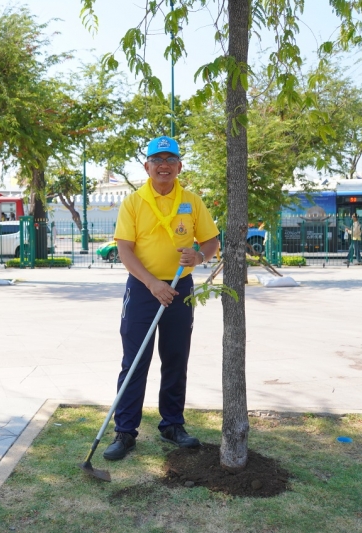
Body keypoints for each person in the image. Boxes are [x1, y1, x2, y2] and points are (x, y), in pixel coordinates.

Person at [103, 136, 219, 462]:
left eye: (170, 159)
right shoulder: (133, 202)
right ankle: (125, 432)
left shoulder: (192, 201)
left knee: (176, 357)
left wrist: (197, 257)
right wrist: (153, 283)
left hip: (180, 287)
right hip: (143, 289)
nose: (164, 165)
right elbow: (124, 249)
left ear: (180, 165)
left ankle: (172, 424)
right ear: (147, 167)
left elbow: (210, 242)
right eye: (157, 160)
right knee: (135, 360)